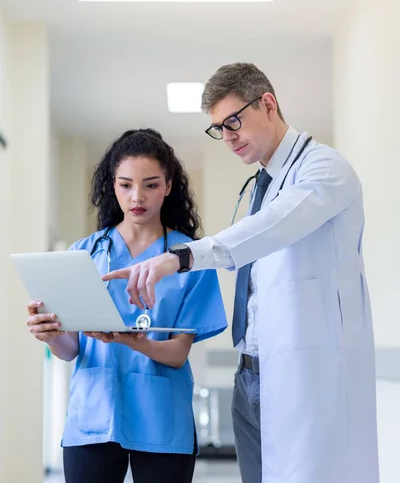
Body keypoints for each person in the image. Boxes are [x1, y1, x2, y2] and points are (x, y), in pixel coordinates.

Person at [104, 64, 380, 483]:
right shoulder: (263, 184)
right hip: (250, 373)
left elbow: (273, 227)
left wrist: (178, 257)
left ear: (267, 104)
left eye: (233, 121)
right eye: (218, 129)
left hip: (306, 373)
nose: (228, 137)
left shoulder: (325, 170)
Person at [26, 128, 227, 483]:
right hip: (93, 417)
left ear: (168, 186)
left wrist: (130, 340)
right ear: (112, 185)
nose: (137, 197)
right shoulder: (83, 253)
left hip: (162, 419)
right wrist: (50, 335)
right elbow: (71, 348)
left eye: (150, 185)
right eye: (125, 185)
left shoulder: (189, 258)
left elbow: (178, 354)